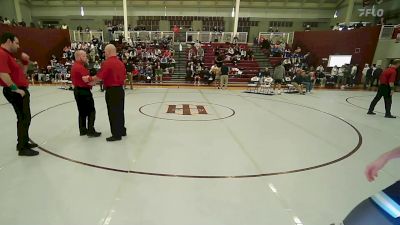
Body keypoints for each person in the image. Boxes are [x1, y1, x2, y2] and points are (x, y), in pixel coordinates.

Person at [0, 32, 39, 156]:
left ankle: (23, 142)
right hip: (16, 91)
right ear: (8, 41)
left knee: (24, 118)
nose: (18, 46)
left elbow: (21, 73)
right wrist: (15, 89)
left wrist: (25, 62)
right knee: (24, 118)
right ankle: (22, 147)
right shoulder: (2, 54)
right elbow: (2, 73)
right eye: (16, 43)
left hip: (20, 89)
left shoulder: (9, 56)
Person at [83, 44, 126, 141]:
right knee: (120, 111)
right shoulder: (120, 63)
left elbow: (100, 76)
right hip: (120, 90)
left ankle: (116, 134)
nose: (104, 53)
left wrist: (89, 79)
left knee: (113, 113)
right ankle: (122, 130)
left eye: (105, 51)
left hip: (112, 90)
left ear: (109, 51)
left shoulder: (107, 63)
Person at [71, 50, 101, 137]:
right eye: (84, 56)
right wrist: (96, 80)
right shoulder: (80, 68)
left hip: (77, 90)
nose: (86, 57)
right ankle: (91, 130)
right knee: (91, 111)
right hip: (84, 91)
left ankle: (83, 130)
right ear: (79, 57)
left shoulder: (74, 66)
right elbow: (87, 80)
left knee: (82, 111)